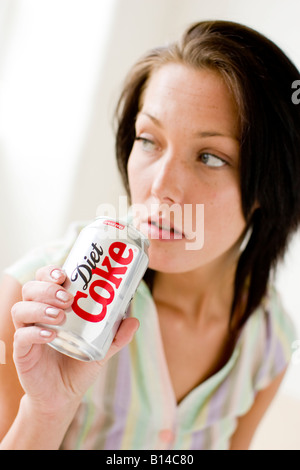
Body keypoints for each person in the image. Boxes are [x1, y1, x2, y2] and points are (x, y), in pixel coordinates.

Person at [0, 20, 300, 450]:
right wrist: (47, 411)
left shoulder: (270, 341)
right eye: (148, 140)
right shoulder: (35, 307)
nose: (161, 186)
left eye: (210, 157)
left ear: (268, 189)